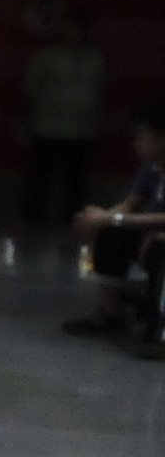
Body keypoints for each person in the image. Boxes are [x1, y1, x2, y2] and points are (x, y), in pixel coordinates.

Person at [66, 96, 165, 360]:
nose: (136, 142)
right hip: (153, 235)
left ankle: (158, 331)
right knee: (109, 234)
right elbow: (130, 204)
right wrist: (99, 218)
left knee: (159, 247)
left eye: (142, 135)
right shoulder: (152, 167)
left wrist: (114, 219)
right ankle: (113, 312)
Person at [23, 15, 108, 229]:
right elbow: (31, 90)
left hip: (82, 128)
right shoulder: (47, 57)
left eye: (77, 29)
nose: (73, 34)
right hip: (48, 127)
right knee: (40, 178)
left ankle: (72, 221)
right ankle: (33, 220)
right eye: (69, 29)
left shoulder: (95, 59)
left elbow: (102, 91)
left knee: (76, 181)